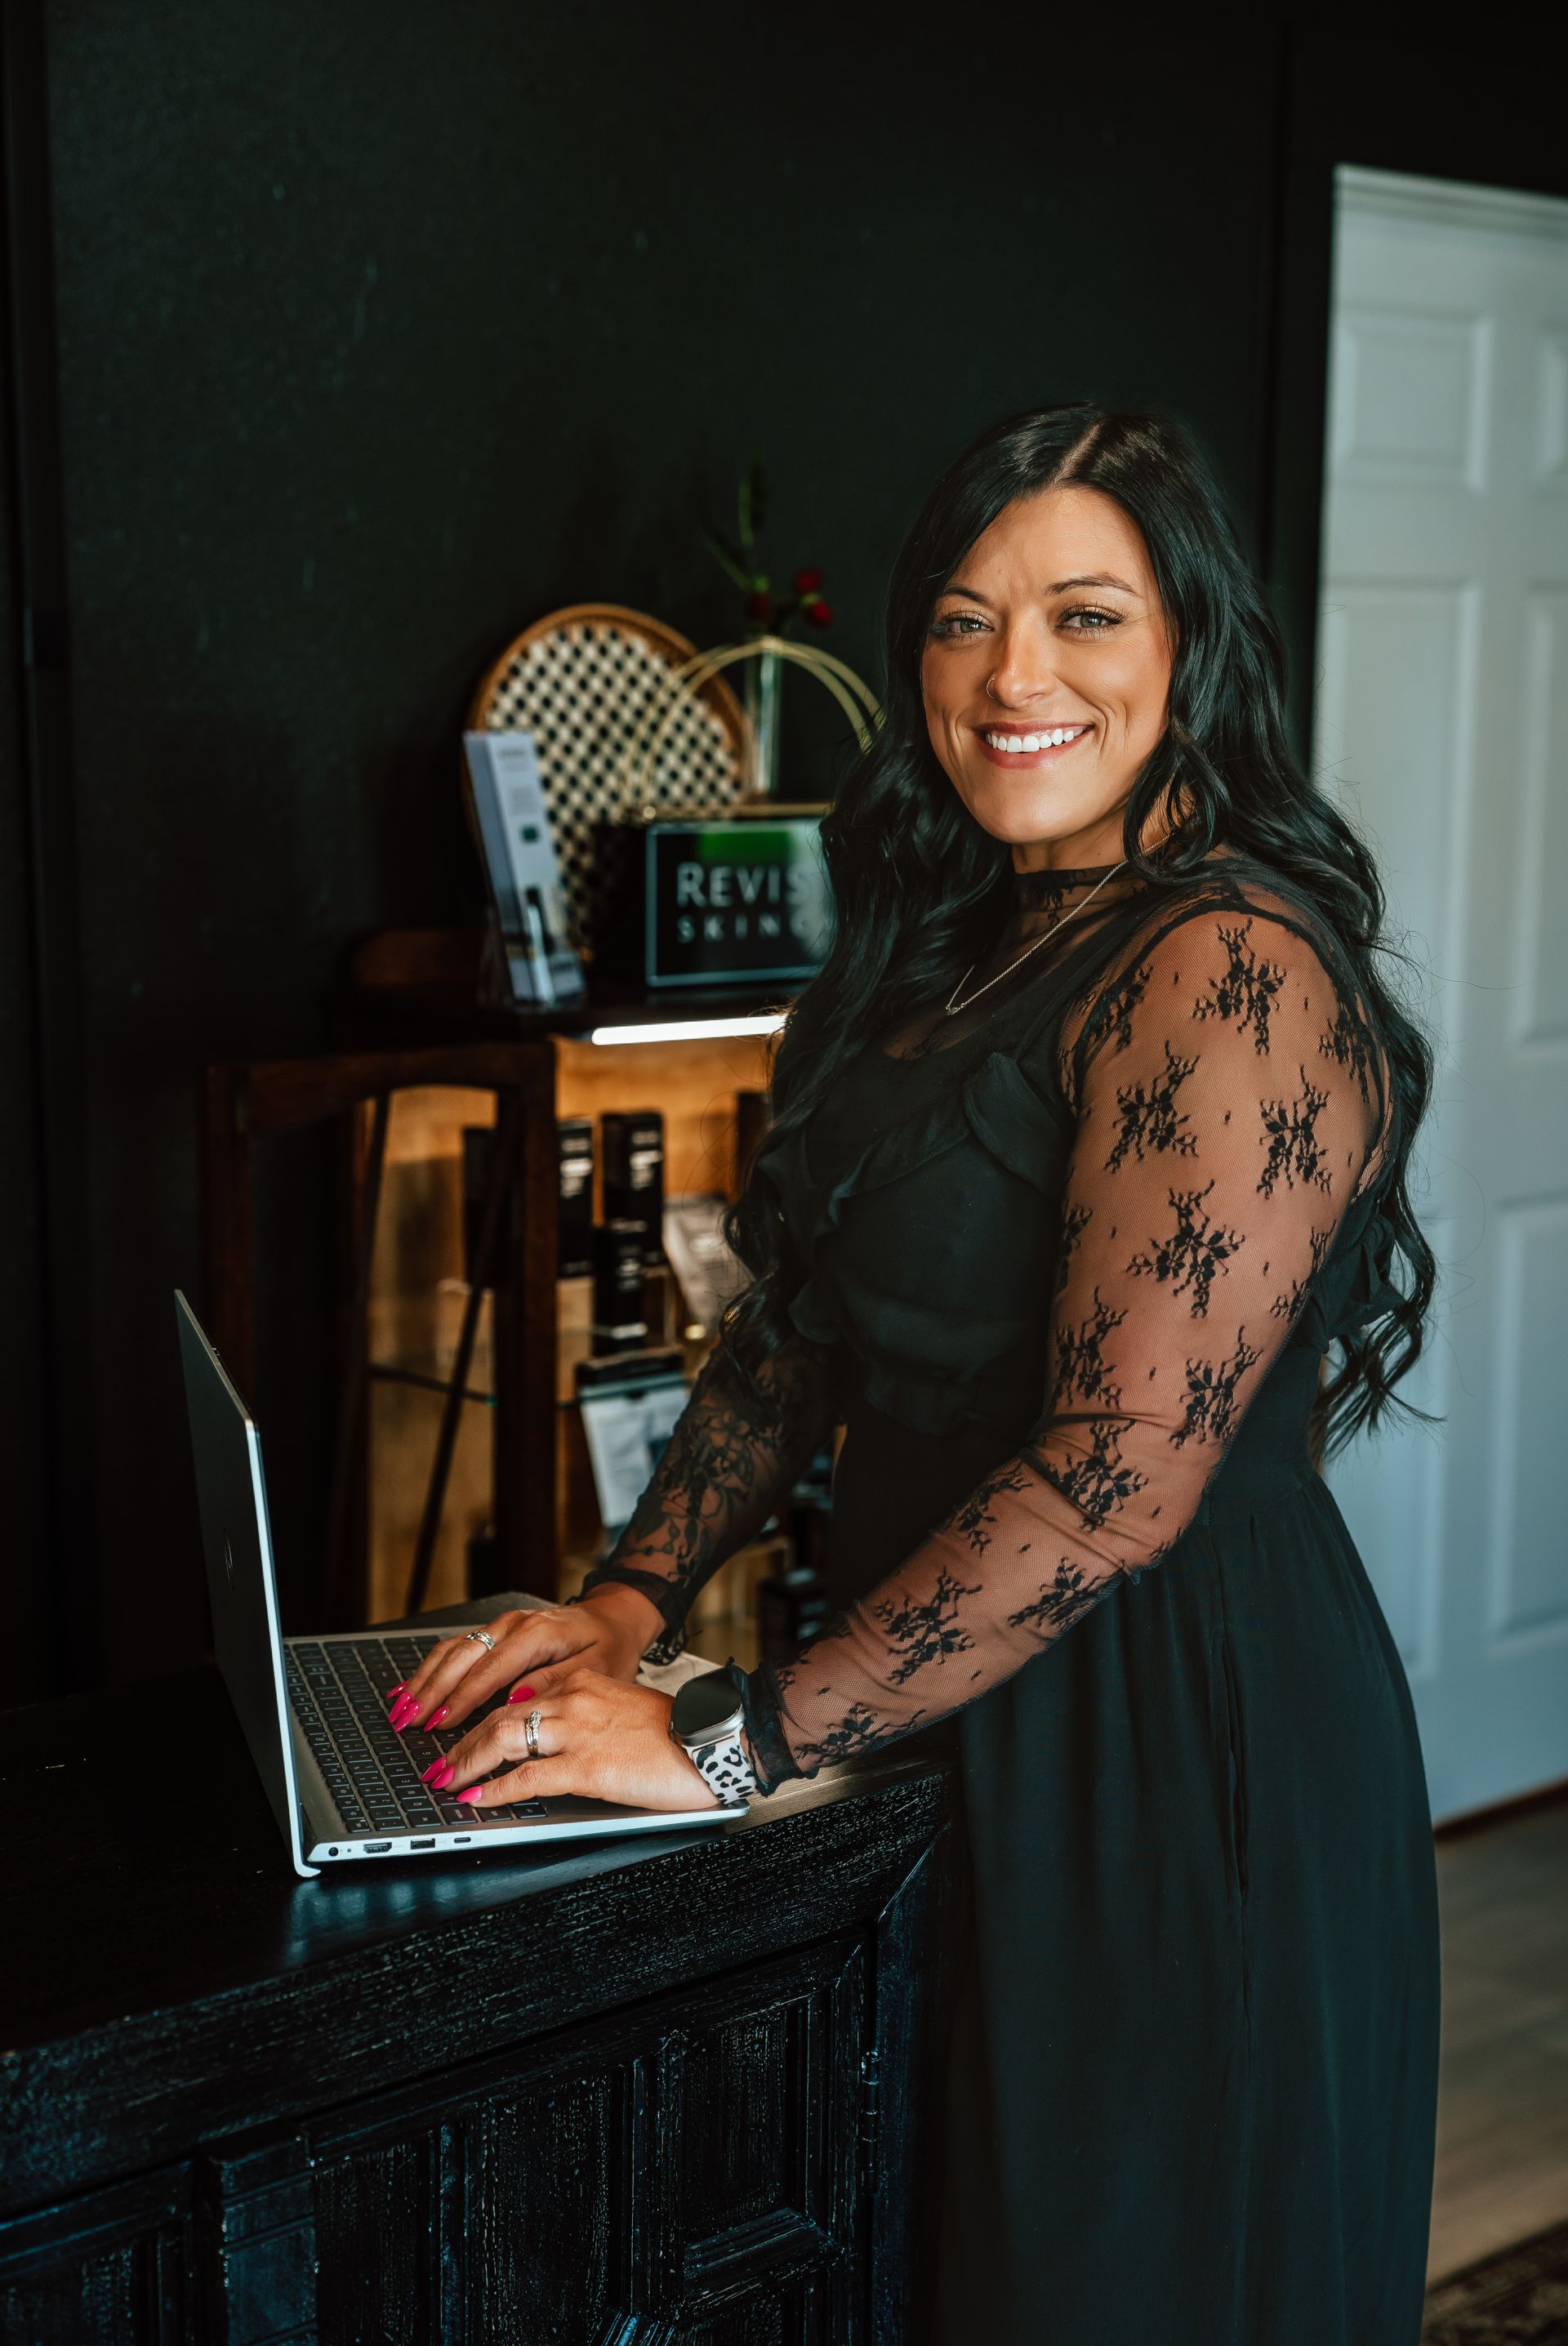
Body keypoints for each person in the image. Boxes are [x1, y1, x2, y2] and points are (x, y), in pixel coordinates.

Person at [391, 405, 1441, 2344]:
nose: (1012, 675)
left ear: (1191, 651)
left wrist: (726, 1743)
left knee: (1103, 2278)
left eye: (1085, 616)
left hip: (1160, 1735)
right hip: (921, 1687)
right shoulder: (940, 947)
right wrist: (623, 1608)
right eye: (963, 621)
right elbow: (796, 1335)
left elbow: (1119, 1475)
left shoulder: (1230, 969)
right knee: (918, 2256)